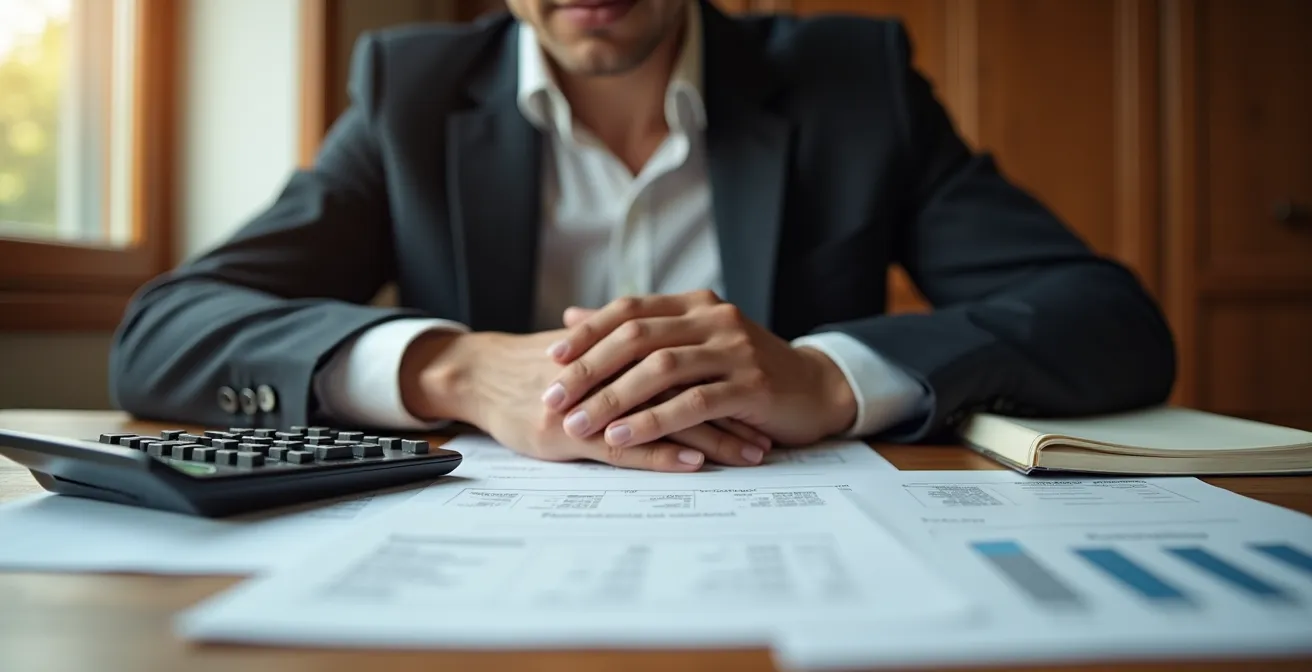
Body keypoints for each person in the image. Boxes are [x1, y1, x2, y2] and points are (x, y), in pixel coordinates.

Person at [108, 0, 1176, 473]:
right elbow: (164, 331)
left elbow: (1109, 319)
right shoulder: (410, 93)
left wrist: (828, 378)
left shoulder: (857, 83)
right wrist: (454, 369)